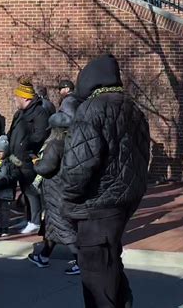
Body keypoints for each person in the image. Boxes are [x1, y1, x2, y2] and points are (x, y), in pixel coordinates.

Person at [59, 54, 150, 307]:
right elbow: (143, 156)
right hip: (124, 199)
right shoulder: (132, 108)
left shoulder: (91, 109)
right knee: (111, 264)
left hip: (96, 205)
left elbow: (78, 166)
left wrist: (67, 198)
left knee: (97, 277)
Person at [27, 96, 83, 274]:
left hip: (55, 191)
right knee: (52, 227)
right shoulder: (72, 143)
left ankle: (81, 262)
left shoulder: (55, 145)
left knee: (63, 229)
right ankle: (42, 257)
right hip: (64, 188)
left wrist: (35, 162)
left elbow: (46, 168)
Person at [8, 78, 50, 234]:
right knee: (25, 190)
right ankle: (28, 218)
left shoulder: (40, 112)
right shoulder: (20, 113)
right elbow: (12, 132)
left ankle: (35, 221)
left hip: (28, 158)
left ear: (25, 98)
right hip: (16, 158)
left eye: (17, 97)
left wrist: (24, 144)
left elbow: (41, 135)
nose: (15, 99)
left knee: (32, 190)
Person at [0, 135, 20, 237]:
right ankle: (1, 226)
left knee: (5, 210)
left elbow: (15, 175)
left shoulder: (10, 163)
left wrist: (5, 180)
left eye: (0, 151)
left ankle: (5, 227)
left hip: (6, 191)